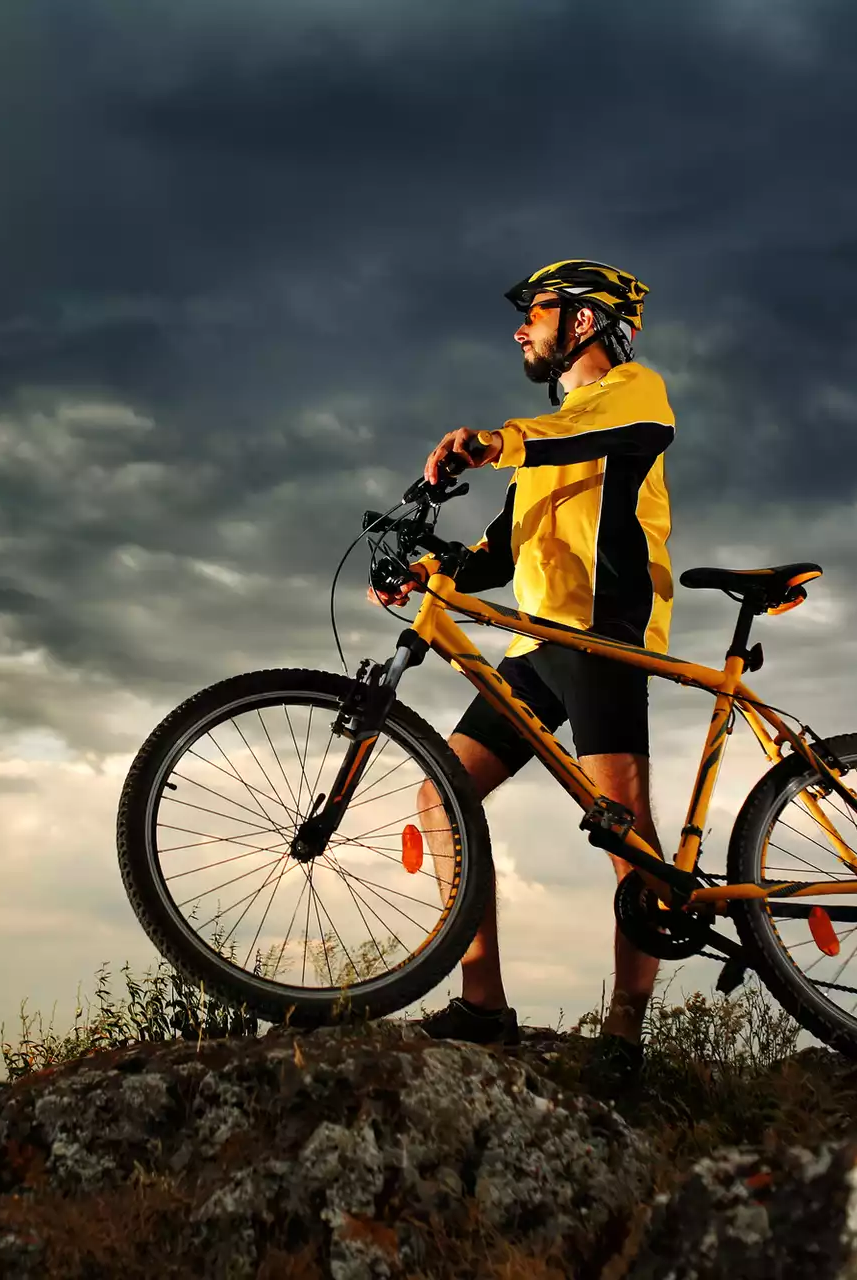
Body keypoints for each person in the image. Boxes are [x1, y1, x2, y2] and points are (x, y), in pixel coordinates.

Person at [371, 259, 674, 1085]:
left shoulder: (635, 394)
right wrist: (427, 571)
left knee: (625, 833)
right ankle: (484, 1005)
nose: (519, 330)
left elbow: (576, 434)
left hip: (604, 634)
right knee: (442, 796)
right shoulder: (556, 432)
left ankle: (625, 1033)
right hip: (538, 642)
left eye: (534, 314)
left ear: (582, 321)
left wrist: (492, 441)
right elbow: (501, 551)